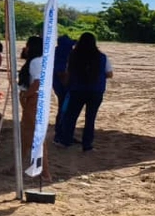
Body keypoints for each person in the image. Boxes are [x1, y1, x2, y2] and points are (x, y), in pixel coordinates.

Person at [55, 32, 113, 151]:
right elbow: (109, 74)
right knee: (90, 119)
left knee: (71, 117)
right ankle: (87, 145)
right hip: (96, 91)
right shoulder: (102, 57)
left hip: (77, 90)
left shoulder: (73, 55)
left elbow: (68, 72)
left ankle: (66, 141)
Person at [18, 36, 51, 180]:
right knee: (26, 133)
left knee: (35, 134)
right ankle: (20, 164)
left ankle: (45, 171)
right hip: (32, 98)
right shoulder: (38, 61)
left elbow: (38, 82)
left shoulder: (36, 62)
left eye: (27, 45)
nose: (25, 48)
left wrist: (26, 95)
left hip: (33, 99)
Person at [51, 34, 75, 122]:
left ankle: (61, 130)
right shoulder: (63, 53)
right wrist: (67, 85)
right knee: (64, 108)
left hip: (59, 85)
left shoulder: (57, 52)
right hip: (63, 86)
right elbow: (61, 73)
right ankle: (61, 130)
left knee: (63, 107)